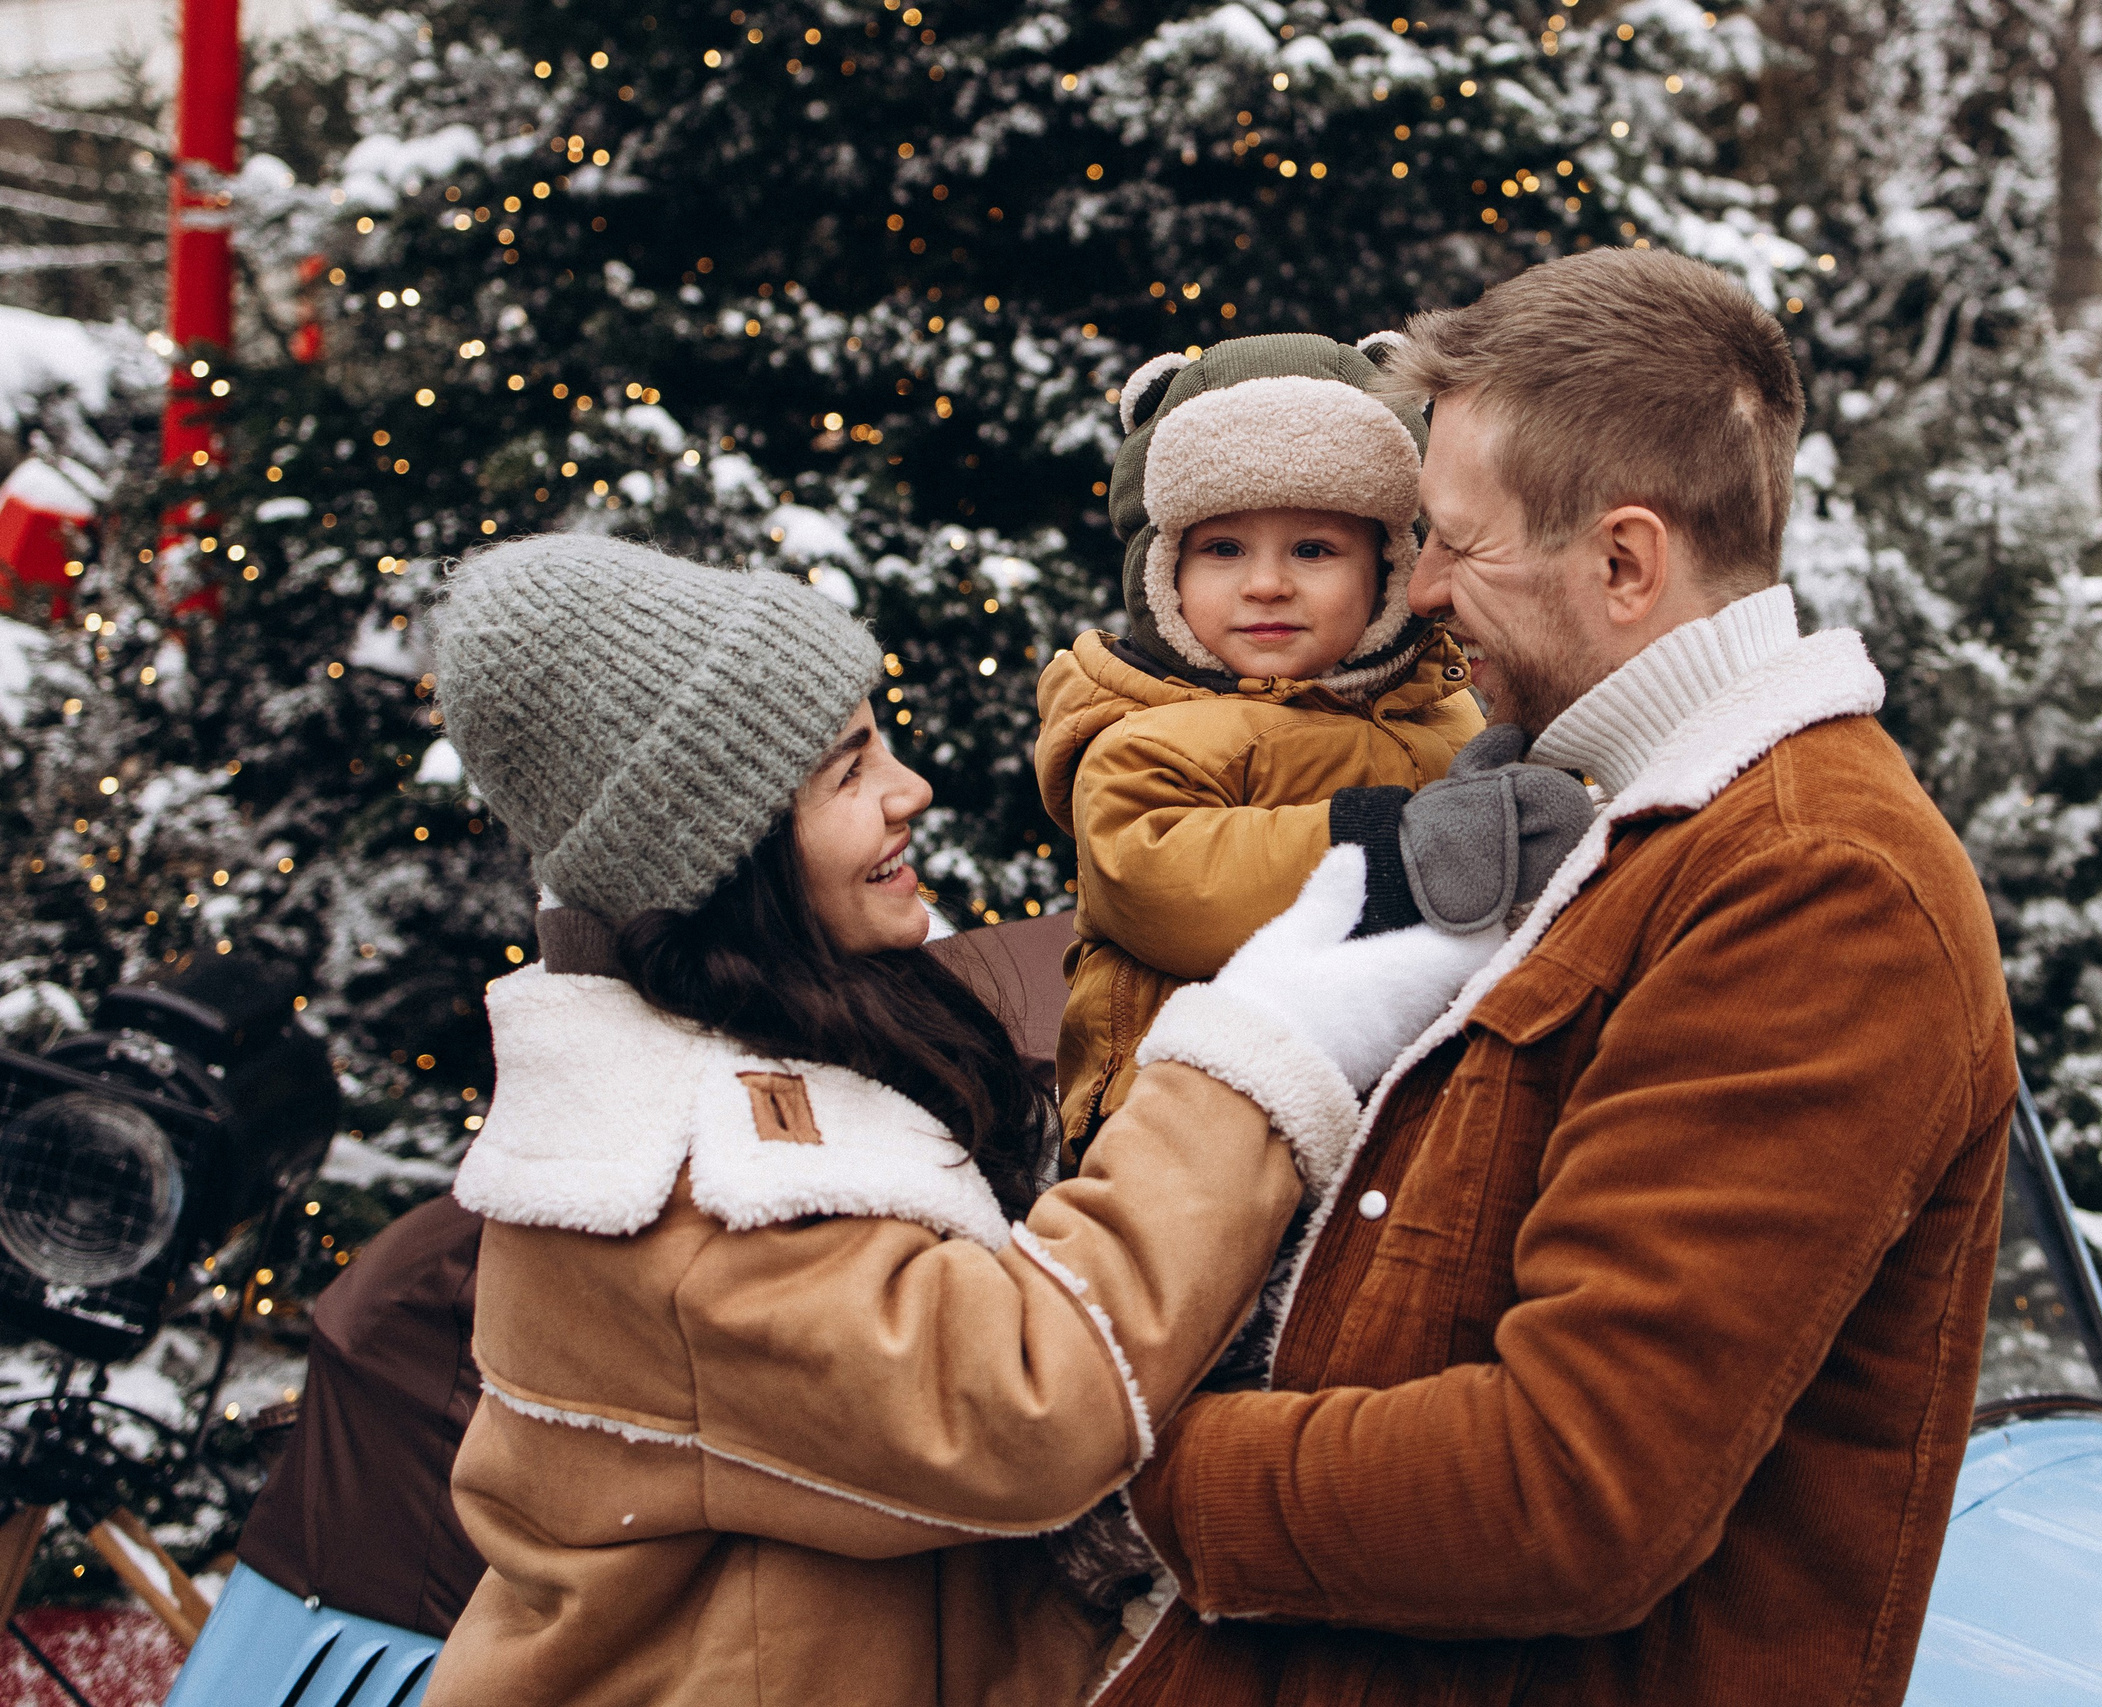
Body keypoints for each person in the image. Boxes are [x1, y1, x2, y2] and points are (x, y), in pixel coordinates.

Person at [1088, 249, 2018, 1707]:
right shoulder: (1621, 815)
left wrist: (1125, 1458)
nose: (1427, 589)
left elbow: (1567, 1482)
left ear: (1626, 561)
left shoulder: (1816, 887)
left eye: (1456, 541)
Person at [417, 536, 1495, 1706]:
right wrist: (1267, 1040)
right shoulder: (680, 1188)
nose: (907, 790)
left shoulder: (792, 1046)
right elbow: (1030, 1399)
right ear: (723, 856)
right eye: (845, 769)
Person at [1035, 332, 1488, 1158]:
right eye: (1223, 549)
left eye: (1313, 549)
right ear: (1162, 570)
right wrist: (1381, 844)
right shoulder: (1143, 727)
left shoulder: (1443, 709)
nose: (1267, 583)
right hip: (1177, 1114)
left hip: (1388, 1101)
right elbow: (1158, 877)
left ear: (1389, 567)